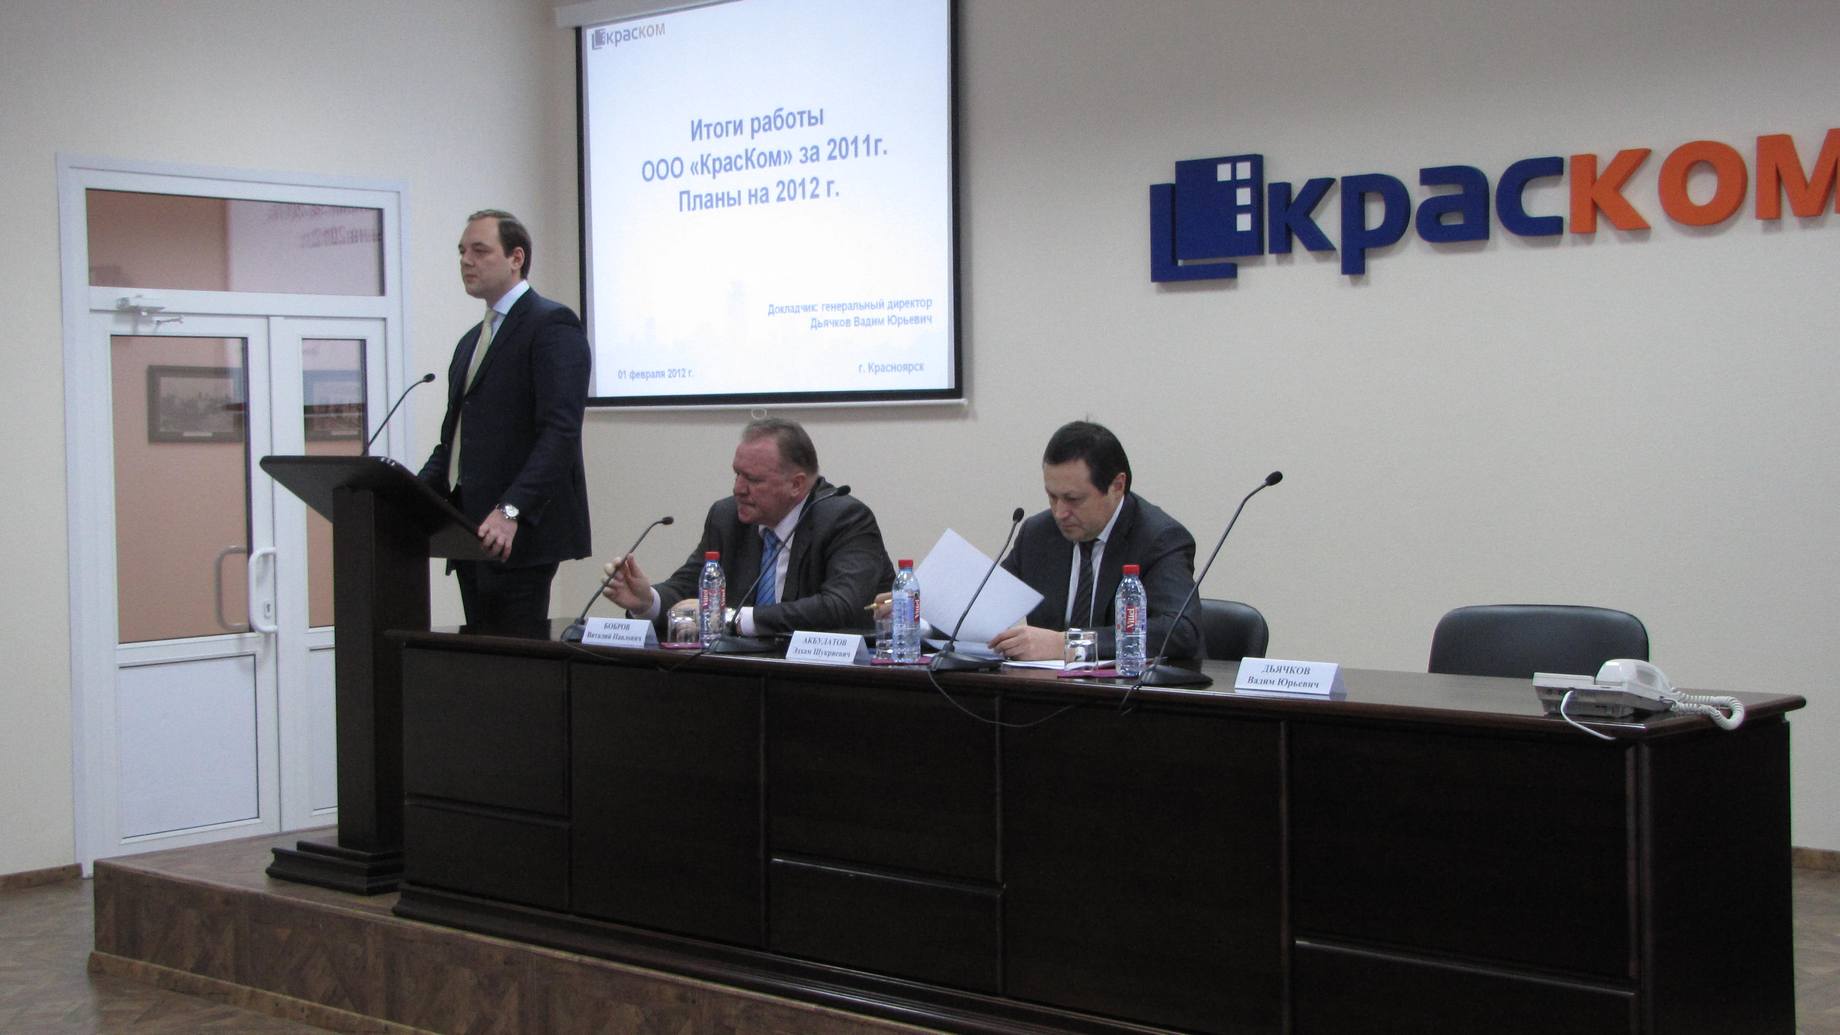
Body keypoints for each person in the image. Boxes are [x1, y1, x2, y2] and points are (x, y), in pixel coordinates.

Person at [418, 209, 592, 639]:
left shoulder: (551, 325)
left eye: (480, 250)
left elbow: (560, 433)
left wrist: (512, 509)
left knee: (515, 663)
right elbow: (454, 442)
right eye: (462, 251)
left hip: (520, 533)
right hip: (468, 531)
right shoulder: (470, 343)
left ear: (516, 258)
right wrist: (409, 498)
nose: (466, 260)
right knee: (479, 661)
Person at [600, 418, 892, 636]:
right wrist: (646, 601)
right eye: (737, 474)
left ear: (796, 484)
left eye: (753, 479)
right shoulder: (727, 517)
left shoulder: (845, 519)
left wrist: (735, 619)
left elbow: (840, 606)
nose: (738, 489)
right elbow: (689, 588)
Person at [989, 420, 1202, 662]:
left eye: (1073, 499)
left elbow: (1181, 631)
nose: (1060, 512)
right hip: (1044, 684)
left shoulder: (1159, 539)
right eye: (1052, 496)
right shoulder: (1037, 534)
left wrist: (1071, 644)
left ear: (1117, 486)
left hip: (1125, 685)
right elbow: (985, 606)